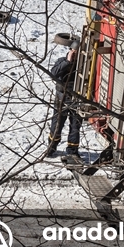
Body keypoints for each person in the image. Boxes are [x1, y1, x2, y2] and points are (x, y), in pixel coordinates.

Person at [46, 32, 83, 160]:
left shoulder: (83, 67)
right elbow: (54, 73)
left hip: (77, 100)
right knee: (57, 124)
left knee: (75, 126)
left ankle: (72, 150)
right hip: (61, 99)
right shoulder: (62, 61)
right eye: (74, 51)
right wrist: (68, 62)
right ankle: (51, 147)